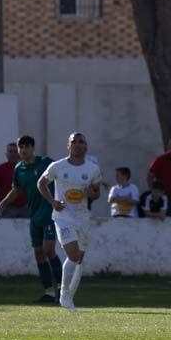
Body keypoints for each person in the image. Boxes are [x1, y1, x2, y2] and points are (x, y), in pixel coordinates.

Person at [38, 132, 102, 313]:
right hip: (63, 218)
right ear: (68, 145)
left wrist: (93, 194)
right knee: (73, 255)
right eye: (74, 142)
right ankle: (64, 294)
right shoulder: (57, 166)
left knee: (79, 259)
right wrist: (53, 202)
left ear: (86, 146)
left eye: (82, 142)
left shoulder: (92, 169)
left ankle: (69, 297)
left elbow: (96, 192)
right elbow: (41, 183)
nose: (78, 145)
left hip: (82, 218)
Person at [0, 135, 62, 303]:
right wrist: (2, 204)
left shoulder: (46, 163)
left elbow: (63, 174)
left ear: (33, 148)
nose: (23, 150)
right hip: (34, 215)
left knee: (49, 250)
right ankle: (49, 292)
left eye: (27, 147)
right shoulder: (19, 168)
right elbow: (16, 189)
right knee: (39, 254)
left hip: (49, 213)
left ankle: (63, 289)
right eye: (21, 148)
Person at [0, 142, 30, 219]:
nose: (13, 154)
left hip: (25, 209)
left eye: (15, 151)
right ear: (6, 154)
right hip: (8, 209)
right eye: (10, 151)